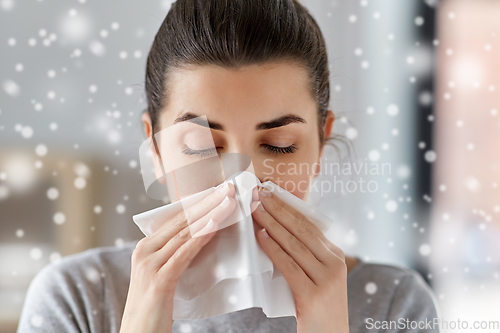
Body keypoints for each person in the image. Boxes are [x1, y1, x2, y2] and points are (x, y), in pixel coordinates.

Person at [17, 0, 440, 332]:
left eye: (279, 145)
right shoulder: (78, 297)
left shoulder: (393, 302)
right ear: (156, 149)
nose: (243, 181)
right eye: (202, 146)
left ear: (321, 143)